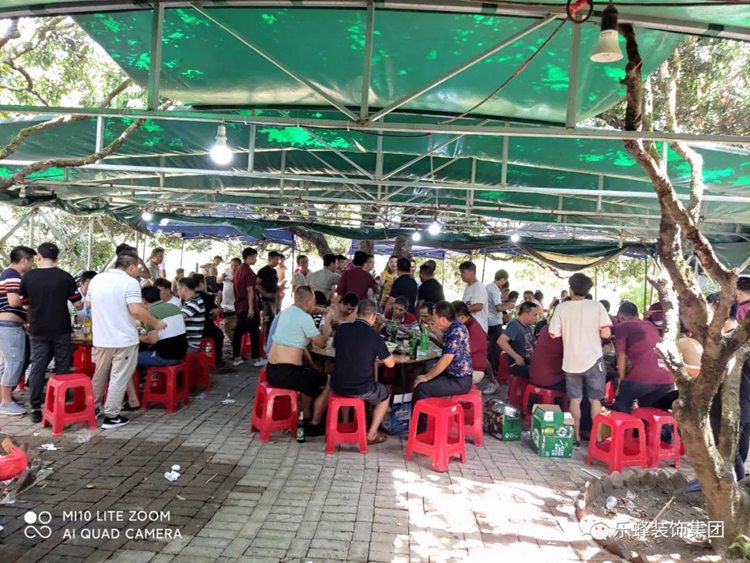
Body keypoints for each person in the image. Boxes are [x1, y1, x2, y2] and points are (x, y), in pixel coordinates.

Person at [88, 252, 166, 429]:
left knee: (99, 375)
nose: (138, 270)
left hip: (101, 338)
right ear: (131, 267)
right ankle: (112, 416)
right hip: (123, 339)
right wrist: (156, 323)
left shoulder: (97, 279)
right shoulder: (130, 282)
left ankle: (93, 408)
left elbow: (89, 304)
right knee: (119, 377)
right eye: (137, 267)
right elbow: (136, 311)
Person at [19, 243, 84, 423]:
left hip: (37, 328)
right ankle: (58, 406)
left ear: (39, 257)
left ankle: (35, 408)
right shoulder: (65, 277)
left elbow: (24, 305)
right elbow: (78, 305)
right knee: (62, 366)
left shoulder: (28, 277)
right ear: (57, 259)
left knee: (38, 366)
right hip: (61, 328)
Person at [548, 273, 612, 446]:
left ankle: (575, 436)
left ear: (570, 290)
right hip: (594, 359)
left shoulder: (562, 308)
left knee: (575, 400)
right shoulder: (597, 306)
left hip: (571, 362)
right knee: (595, 400)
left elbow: (553, 333)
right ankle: (596, 438)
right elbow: (606, 333)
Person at [331, 299, 395, 445]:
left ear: (357, 313)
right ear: (373, 316)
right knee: (385, 393)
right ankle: (371, 434)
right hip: (361, 387)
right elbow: (390, 364)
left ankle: (345, 423)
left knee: (346, 383)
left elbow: (340, 348)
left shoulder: (342, 329)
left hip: (337, 384)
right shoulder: (374, 336)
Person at [267, 286, 329, 436]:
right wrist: (328, 319)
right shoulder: (304, 318)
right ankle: (315, 423)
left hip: (272, 370)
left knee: (309, 374)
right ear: (309, 302)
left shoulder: (286, 312)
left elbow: (298, 344)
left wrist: (312, 364)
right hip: (287, 373)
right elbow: (322, 343)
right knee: (328, 381)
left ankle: (306, 417)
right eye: (313, 302)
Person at [412, 301, 472, 428]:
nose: (432, 318)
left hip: (459, 380)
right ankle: (422, 424)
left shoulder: (456, 331)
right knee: (421, 374)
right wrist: (436, 332)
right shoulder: (454, 326)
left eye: (434, 316)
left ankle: (420, 430)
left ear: (443, 319)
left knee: (421, 388)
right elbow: (446, 343)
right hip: (452, 374)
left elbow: (446, 359)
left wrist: (427, 377)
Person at [611, 302, 675, 413]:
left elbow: (621, 356)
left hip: (641, 378)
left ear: (621, 316)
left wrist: (621, 381)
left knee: (621, 406)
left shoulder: (622, 326)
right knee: (649, 411)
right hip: (667, 379)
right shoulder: (650, 325)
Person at [0, 245, 36, 416]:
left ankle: (4, 398)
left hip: (6, 325)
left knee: (6, 364)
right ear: (24, 260)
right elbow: (14, 301)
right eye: (31, 261)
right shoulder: (12, 275)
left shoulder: (6, 274)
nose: (31, 265)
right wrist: (33, 302)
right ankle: (6, 402)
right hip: (10, 325)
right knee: (15, 362)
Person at [138, 286, 187, 368]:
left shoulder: (150, 313)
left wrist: (137, 337)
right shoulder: (174, 307)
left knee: (128, 359)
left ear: (143, 300)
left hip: (165, 357)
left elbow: (152, 340)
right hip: (181, 354)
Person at [232, 247, 262, 367]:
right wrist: (250, 308)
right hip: (248, 306)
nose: (255, 260)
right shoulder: (247, 271)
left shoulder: (238, 270)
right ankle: (255, 358)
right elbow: (250, 290)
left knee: (238, 333)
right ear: (249, 257)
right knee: (254, 333)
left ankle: (236, 357)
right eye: (255, 257)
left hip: (239, 305)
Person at [498, 301, 539, 378]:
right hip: (518, 364)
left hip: (529, 361)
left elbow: (534, 343)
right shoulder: (514, 325)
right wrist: (517, 357)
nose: (537, 317)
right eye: (535, 315)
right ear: (525, 314)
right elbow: (501, 341)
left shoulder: (528, 326)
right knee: (542, 373)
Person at [452, 301, 488, 385]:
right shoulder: (466, 324)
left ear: (462, 317)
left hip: (474, 370)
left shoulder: (473, 330)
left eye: (452, 318)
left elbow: (460, 352)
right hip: (465, 366)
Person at [485, 269, 510, 372]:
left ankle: (489, 368)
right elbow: (498, 308)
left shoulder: (487, 287)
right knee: (495, 348)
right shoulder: (494, 290)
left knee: (490, 346)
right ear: (503, 279)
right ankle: (495, 370)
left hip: (487, 320)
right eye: (505, 281)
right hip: (494, 322)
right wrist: (509, 305)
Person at [529, 325, 566, 391]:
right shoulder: (563, 333)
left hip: (533, 377)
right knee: (579, 383)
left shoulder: (544, 328)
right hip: (550, 381)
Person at [177, 277, 206, 352]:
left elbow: (180, 317)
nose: (177, 292)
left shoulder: (195, 302)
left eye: (178, 289)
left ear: (185, 289)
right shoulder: (190, 301)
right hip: (188, 341)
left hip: (191, 343)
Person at [460, 261, 488, 333]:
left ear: (472, 272)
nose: (461, 275)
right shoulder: (467, 287)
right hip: (470, 326)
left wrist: (459, 311)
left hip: (478, 328)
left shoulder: (479, 286)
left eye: (463, 272)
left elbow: (478, 306)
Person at [256, 250, 282, 330]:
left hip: (274, 300)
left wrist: (278, 290)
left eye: (278, 259)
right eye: (276, 259)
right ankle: (264, 336)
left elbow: (274, 283)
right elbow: (257, 284)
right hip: (265, 301)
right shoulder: (263, 271)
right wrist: (266, 294)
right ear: (270, 259)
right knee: (266, 320)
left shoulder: (274, 271)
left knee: (273, 320)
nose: (278, 262)